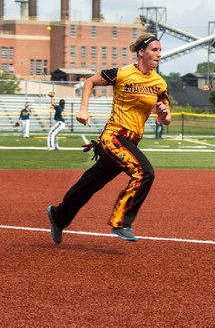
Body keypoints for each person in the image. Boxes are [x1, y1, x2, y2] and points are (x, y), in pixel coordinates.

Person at [46, 33, 171, 243]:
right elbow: (89, 82)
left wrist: (164, 113)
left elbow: (166, 119)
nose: (159, 54)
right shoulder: (122, 74)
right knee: (144, 173)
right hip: (114, 137)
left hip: (130, 142)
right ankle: (121, 222)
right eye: (154, 50)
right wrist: (83, 109)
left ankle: (59, 216)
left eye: (160, 50)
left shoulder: (159, 84)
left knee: (89, 185)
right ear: (141, 52)